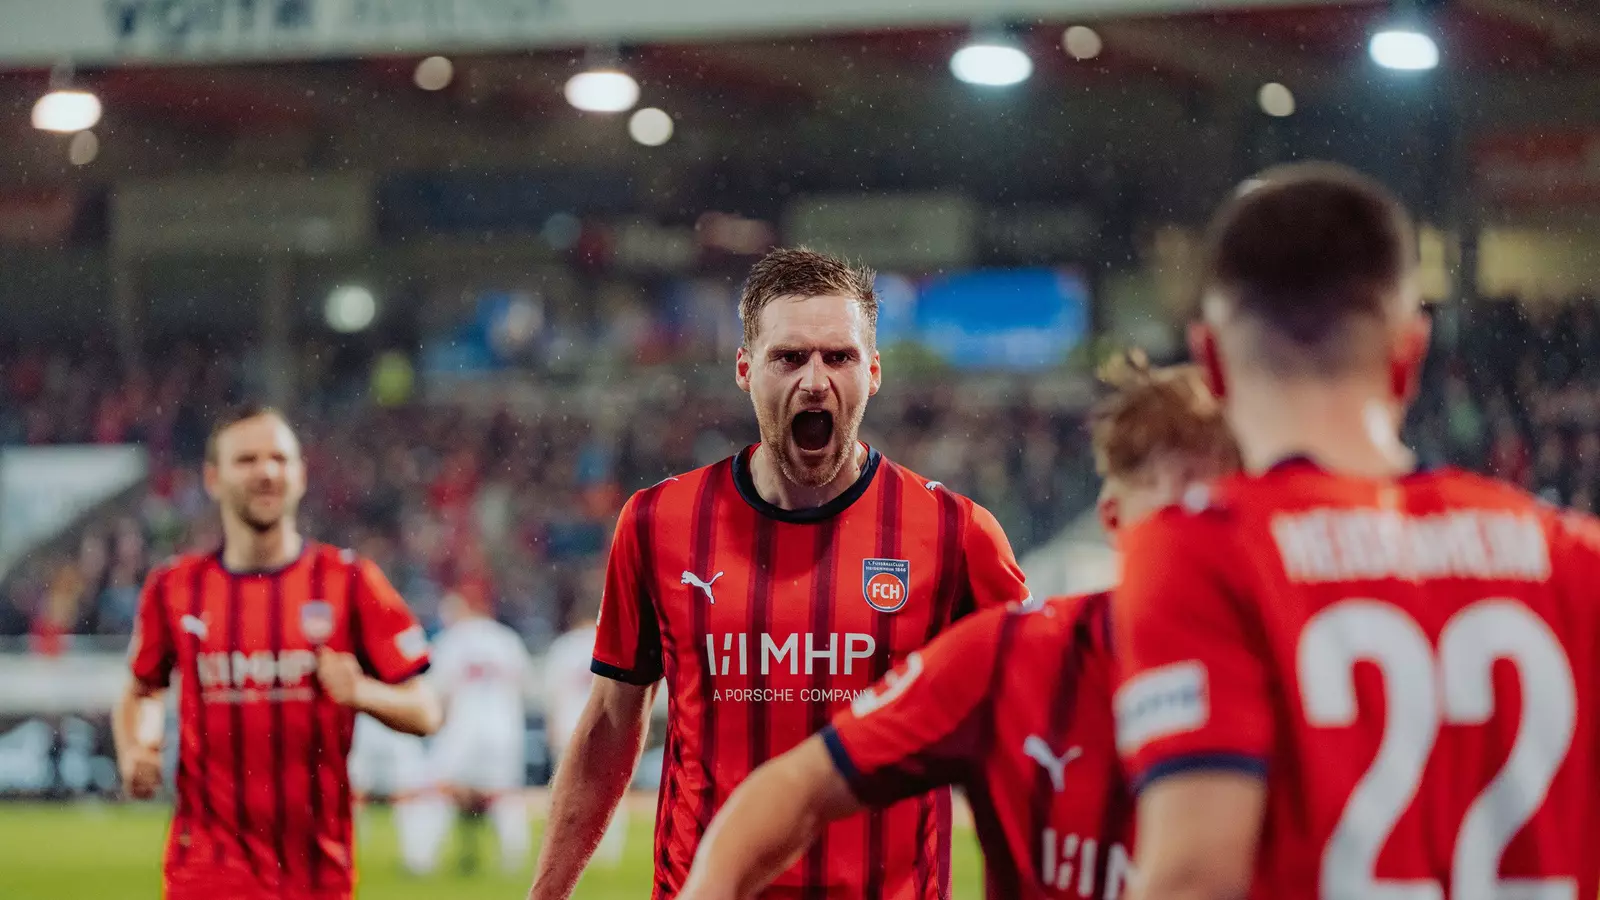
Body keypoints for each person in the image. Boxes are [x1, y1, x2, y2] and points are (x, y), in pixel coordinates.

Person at [1113, 163, 1600, 900]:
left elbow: (1194, 879)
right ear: (1412, 353)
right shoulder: (1571, 557)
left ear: (1210, 360)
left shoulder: (1203, 549)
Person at [527, 247, 1032, 899]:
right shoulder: (658, 523)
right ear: (745, 369)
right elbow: (610, 725)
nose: (815, 381)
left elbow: (1031, 734)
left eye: (839, 357)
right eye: (789, 357)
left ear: (873, 371)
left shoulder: (958, 534)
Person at [676, 359, 1240, 900]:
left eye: (1223, 515)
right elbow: (798, 786)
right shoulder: (1010, 657)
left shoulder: (1292, 659)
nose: (1197, 547)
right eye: (1173, 521)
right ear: (1112, 521)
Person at [111, 405, 443, 900]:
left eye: (279, 459)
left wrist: (362, 693)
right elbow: (142, 690)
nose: (266, 472)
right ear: (213, 478)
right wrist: (138, 746)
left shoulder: (350, 581)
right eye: (246, 460)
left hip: (317, 875)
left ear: (301, 475)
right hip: (206, 871)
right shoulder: (174, 587)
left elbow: (426, 711)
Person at [403, 590, 537, 875]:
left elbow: (438, 692)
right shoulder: (506, 639)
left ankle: (420, 860)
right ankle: (514, 862)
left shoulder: (454, 639)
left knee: (434, 788)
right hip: (503, 730)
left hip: (464, 728)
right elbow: (525, 687)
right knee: (503, 795)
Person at [542, 612, 629, 867]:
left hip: (570, 726)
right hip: (608, 727)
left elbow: (551, 693)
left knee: (567, 792)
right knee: (610, 790)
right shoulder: (613, 641)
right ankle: (608, 851)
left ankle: (565, 849)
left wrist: (551, 728)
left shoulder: (565, 646)